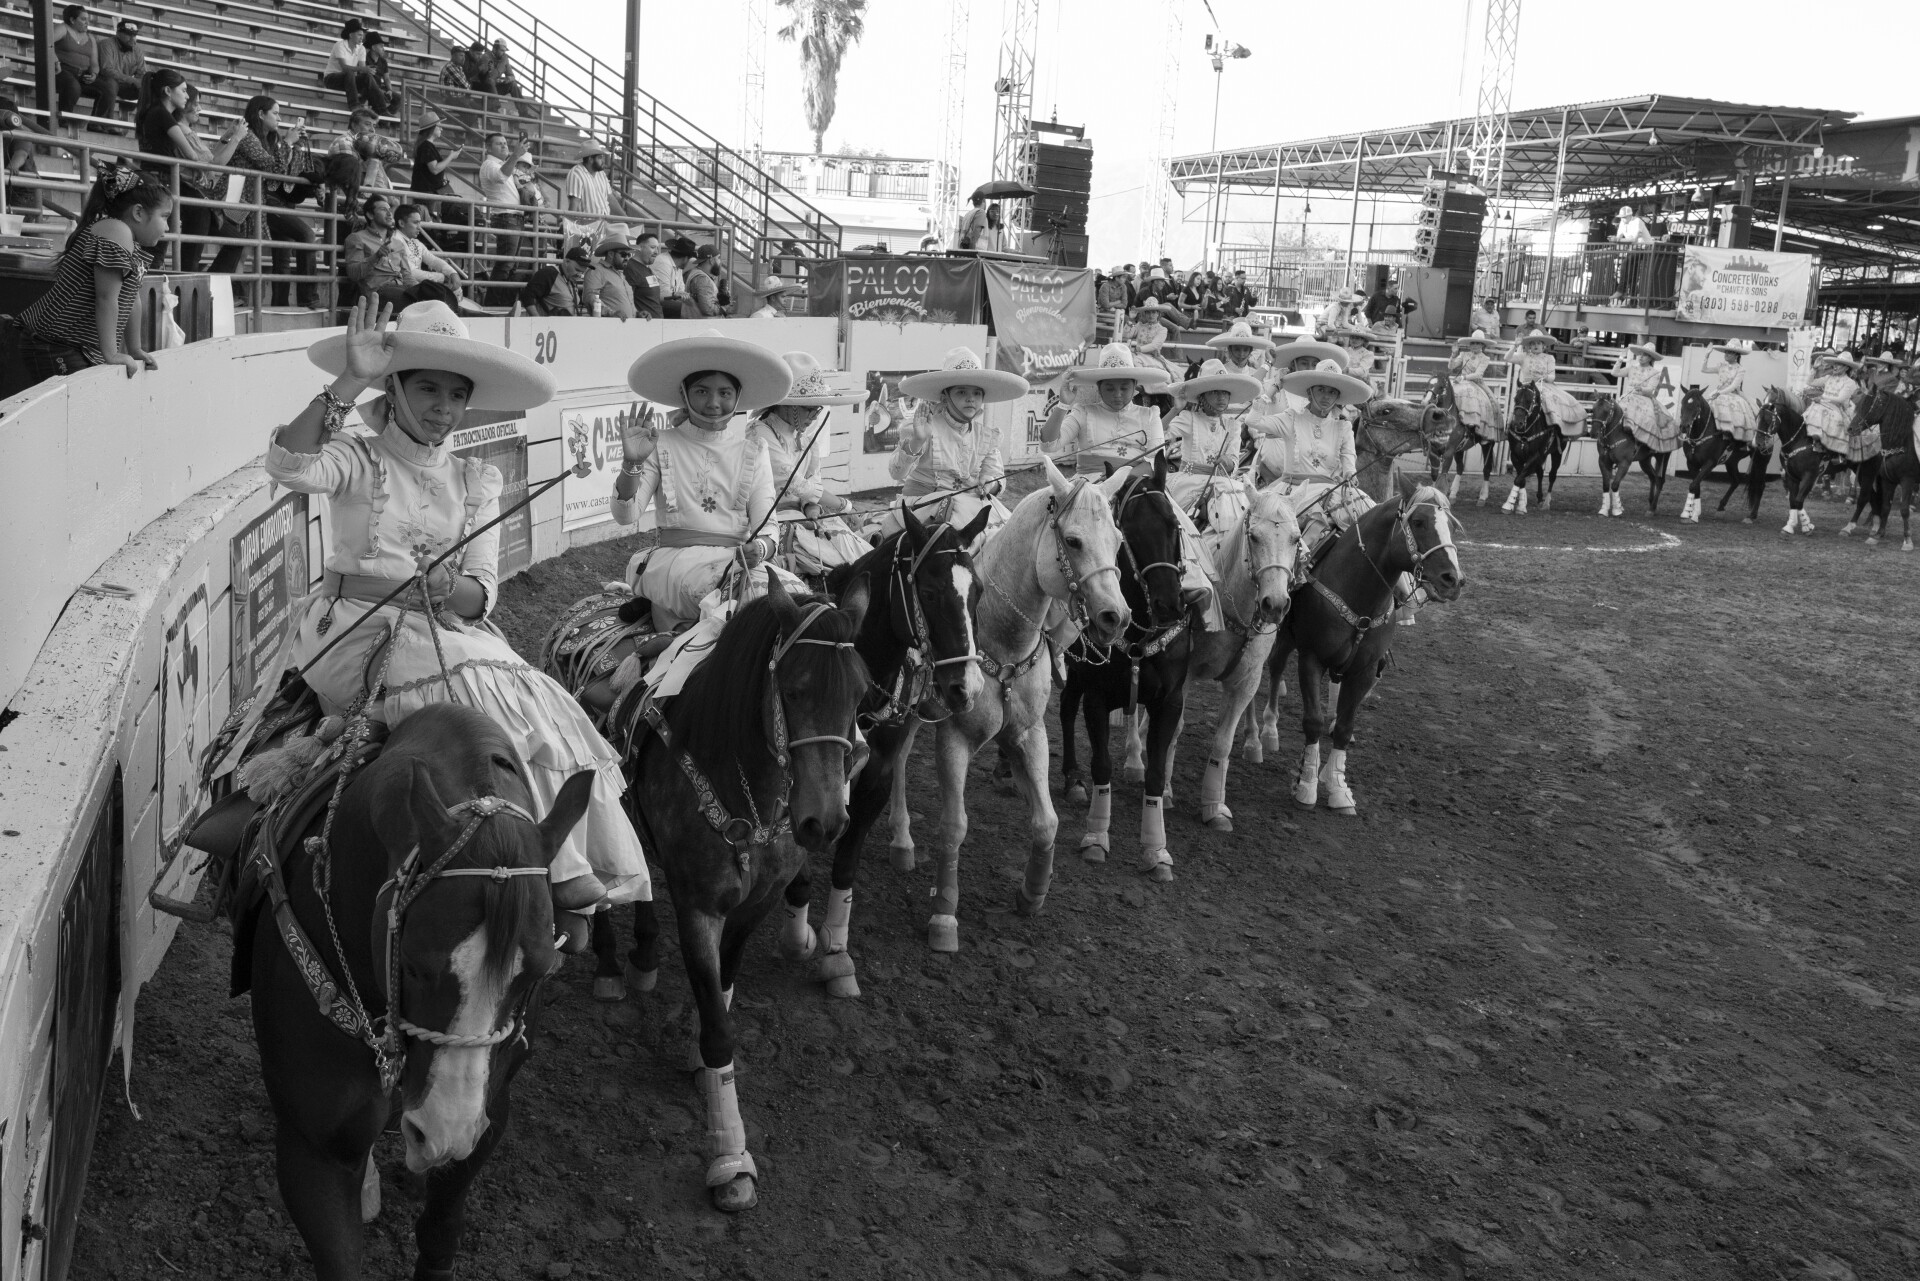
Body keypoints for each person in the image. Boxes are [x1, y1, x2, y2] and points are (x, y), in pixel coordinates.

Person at [263, 297, 647, 908]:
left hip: (449, 632)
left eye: (456, 395)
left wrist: (447, 589)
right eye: (428, 390)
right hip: (352, 630)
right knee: (474, 686)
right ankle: (556, 868)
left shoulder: (476, 479)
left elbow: (480, 592)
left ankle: (558, 853)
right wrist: (349, 379)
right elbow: (287, 464)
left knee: (539, 694)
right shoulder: (357, 458)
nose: (444, 409)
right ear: (392, 388)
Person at [610, 331, 795, 630]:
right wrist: (632, 463)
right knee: (735, 602)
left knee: (797, 598)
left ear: (737, 396)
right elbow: (625, 515)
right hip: (675, 563)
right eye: (701, 391)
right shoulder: (661, 443)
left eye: (724, 393)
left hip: (739, 564)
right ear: (684, 393)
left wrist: (760, 547)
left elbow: (768, 524)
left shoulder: (753, 449)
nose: (713, 402)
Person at [0, 163, 166, 398]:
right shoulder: (116, 231)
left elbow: (131, 300)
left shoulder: (129, 241)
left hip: (75, 346)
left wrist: (135, 348)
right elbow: (106, 298)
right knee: (74, 415)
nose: (167, 228)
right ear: (138, 213)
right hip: (55, 343)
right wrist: (111, 354)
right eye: (164, 217)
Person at [746, 352, 871, 572]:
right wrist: (845, 506)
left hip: (800, 516)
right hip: (769, 521)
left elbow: (812, 482)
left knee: (856, 551)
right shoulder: (760, 434)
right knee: (835, 563)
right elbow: (795, 483)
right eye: (809, 408)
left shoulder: (804, 437)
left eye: (818, 408)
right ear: (787, 406)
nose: (815, 415)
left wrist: (810, 506)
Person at [887, 347, 1023, 526]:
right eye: (961, 392)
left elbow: (995, 474)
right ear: (945, 398)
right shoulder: (925, 428)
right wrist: (918, 440)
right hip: (921, 508)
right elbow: (896, 472)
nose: (971, 399)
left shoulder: (986, 436)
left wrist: (989, 482)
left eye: (976, 393)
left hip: (967, 506)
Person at [136, 70, 245, 274]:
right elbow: (192, 155)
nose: (187, 97)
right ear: (168, 91)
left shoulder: (152, 112)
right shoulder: (161, 114)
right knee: (159, 246)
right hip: (165, 184)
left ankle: (189, 278)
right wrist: (196, 165)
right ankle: (187, 278)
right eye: (184, 91)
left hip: (163, 183)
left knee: (158, 246)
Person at [230, 96, 318, 309]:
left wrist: (296, 147)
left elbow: (286, 174)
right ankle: (308, 299)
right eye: (275, 113)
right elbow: (272, 167)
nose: (279, 118)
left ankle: (281, 304)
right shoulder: (248, 136)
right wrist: (287, 143)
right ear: (261, 114)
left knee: (279, 254)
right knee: (243, 252)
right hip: (247, 198)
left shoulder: (271, 139)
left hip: (263, 199)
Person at [1041, 342, 1170, 473]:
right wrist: (1063, 404)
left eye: (1124, 388)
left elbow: (1156, 461)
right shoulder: (1083, 413)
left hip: (1134, 487)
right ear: (1099, 388)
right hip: (1089, 486)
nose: (1118, 395)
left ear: (1135, 386)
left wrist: (1117, 479)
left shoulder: (1150, 415)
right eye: (1109, 389)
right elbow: (1049, 445)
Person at [345, 195, 463, 311]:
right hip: (378, 293)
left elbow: (407, 275)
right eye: (383, 209)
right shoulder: (357, 238)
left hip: (401, 289)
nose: (389, 213)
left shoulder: (397, 243)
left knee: (440, 297)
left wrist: (419, 289)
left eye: (389, 209)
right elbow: (353, 274)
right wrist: (376, 257)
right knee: (424, 303)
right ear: (370, 215)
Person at [1166, 359, 1261, 477]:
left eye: (1225, 392)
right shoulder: (1189, 418)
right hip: (1188, 481)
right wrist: (1175, 409)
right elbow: (1159, 434)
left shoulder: (1233, 426)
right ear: (1202, 397)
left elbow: (1234, 460)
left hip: (1219, 483)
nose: (1221, 398)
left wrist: (1227, 462)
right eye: (1214, 392)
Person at [478, 132, 532, 293]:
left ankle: (502, 301)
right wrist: (515, 155)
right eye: (498, 143)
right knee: (506, 263)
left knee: (512, 264)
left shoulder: (504, 164)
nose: (504, 145)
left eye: (505, 143)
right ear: (488, 148)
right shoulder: (489, 164)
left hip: (512, 217)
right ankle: (494, 302)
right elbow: (501, 177)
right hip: (506, 217)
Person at [410, 107, 467, 254]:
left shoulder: (425, 146)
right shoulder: (427, 146)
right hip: (427, 192)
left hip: (428, 191)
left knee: (430, 224)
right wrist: (451, 157)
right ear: (432, 128)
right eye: (439, 126)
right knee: (429, 226)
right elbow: (435, 169)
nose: (441, 128)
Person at [1513, 329, 1589, 436]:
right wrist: (1514, 346)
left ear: (1543, 345)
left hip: (1545, 385)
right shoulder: (1524, 356)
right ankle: (1511, 426)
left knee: (1549, 399)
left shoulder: (1549, 358)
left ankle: (1554, 426)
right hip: (1526, 386)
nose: (1536, 345)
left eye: (1539, 343)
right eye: (1533, 343)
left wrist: (1542, 376)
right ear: (1529, 345)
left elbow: (1552, 377)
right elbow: (1507, 357)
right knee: (1519, 400)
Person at [1614, 342, 1680, 453]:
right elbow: (1614, 373)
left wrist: (1642, 390)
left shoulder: (1654, 373)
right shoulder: (1631, 368)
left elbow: (1650, 390)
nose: (1641, 356)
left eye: (1644, 355)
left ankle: (1643, 446)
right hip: (1626, 398)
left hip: (1643, 400)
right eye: (1640, 354)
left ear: (1650, 358)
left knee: (1649, 420)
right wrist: (1621, 358)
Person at [1800, 351, 1861, 456]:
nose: (1836, 366)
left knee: (1834, 419)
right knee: (1808, 414)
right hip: (1822, 405)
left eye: (1839, 364)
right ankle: (1812, 443)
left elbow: (1840, 399)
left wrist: (1821, 398)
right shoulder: (1829, 377)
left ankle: (1837, 454)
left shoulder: (1850, 383)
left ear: (1846, 368)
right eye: (1836, 364)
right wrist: (1814, 368)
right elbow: (1810, 382)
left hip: (1839, 409)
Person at [1700, 341, 1761, 445]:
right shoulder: (1721, 365)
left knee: (1738, 411)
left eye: (1729, 352)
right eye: (1726, 352)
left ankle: (1734, 438)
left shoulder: (1740, 369)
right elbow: (1703, 369)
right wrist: (1707, 354)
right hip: (1718, 392)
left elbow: (1733, 386)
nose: (1726, 354)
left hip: (1732, 394)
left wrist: (1720, 393)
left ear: (1736, 355)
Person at [329, 108, 402, 192]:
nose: (372, 129)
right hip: (346, 195)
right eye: (368, 124)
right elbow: (348, 176)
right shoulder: (344, 142)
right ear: (354, 125)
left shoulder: (367, 145)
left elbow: (379, 179)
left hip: (362, 193)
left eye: (374, 125)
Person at [1446, 331, 1504, 436]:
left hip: (1476, 383)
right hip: (1461, 381)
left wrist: (1463, 377)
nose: (1475, 346)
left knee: (1492, 401)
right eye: (1473, 343)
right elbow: (1451, 367)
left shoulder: (1485, 358)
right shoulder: (1464, 354)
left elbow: (1478, 374)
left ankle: (1474, 422)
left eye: (1478, 343)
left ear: (1482, 345)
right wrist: (1453, 355)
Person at [91, 19, 147, 123]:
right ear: (118, 33)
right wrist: (133, 80)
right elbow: (106, 70)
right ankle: (101, 123)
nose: (132, 38)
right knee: (112, 84)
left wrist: (142, 83)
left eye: (134, 35)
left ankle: (142, 125)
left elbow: (142, 73)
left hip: (124, 85)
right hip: (102, 80)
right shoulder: (106, 44)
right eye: (128, 35)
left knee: (149, 89)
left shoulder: (137, 50)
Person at [562, 140, 613, 251]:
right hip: (586, 228)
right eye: (600, 157)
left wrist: (625, 218)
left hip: (604, 225)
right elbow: (573, 205)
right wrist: (571, 230)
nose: (602, 160)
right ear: (590, 159)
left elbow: (610, 198)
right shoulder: (576, 173)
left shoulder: (601, 174)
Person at [516, 243, 592, 316]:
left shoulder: (570, 279)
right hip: (549, 328)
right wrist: (537, 321)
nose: (579, 275)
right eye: (577, 270)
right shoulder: (548, 274)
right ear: (566, 262)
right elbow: (526, 296)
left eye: (582, 272)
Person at [322, 19, 381, 113]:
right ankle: (354, 106)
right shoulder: (340, 45)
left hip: (348, 81)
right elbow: (344, 68)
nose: (362, 38)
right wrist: (363, 69)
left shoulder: (361, 49)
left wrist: (368, 71)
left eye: (362, 35)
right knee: (349, 73)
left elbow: (362, 70)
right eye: (359, 35)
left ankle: (379, 108)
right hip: (332, 79)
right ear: (350, 35)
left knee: (367, 77)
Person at [52, 5, 95, 123]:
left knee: (107, 88)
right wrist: (55, 60)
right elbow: (46, 42)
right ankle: (64, 119)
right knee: (73, 86)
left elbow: (94, 62)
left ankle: (99, 124)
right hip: (62, 70)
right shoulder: (62, 28)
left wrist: (94, 74)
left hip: (83, 75)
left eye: (88, 19)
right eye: (83, 19)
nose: (87, 22)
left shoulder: (90, 37)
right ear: (72, 20)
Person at [582, 233, 637, 318]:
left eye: (628, 255)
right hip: (608, 327)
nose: (627, 258)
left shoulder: (620, 275)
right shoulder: (596, 271)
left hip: (625, 327)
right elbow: (590, 297)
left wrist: (637, 314)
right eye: (623, 254)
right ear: (611, 254)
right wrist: (611, 313)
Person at [1125, 297, 1179, 375]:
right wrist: (1130, 320)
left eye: (1153, 312)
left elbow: (1154, 345)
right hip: (1137, 355)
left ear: (1158, 314)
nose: (1151, 315)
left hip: (1153, 358)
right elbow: (1127, 335)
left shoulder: (1162, 330)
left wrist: (1138, 349)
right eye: (1148, 312)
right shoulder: (1140, 325)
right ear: (1145, 314)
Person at [623, 232, 667, 319]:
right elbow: (628, 299)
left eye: (657, 248)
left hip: (655, 324)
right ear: (640, 248)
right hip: (643, 325)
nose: (657, 252)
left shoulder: (647, 268)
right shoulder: (630, 268)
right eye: (653, 247)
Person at [686, 243, 727, 317]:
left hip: (699, 323)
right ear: (711, 260)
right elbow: (708, 309)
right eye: (718, 258)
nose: (720, 262)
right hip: (704, 325)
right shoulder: (702, 279)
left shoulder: (698, 274)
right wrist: (724, 308)